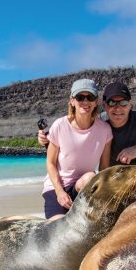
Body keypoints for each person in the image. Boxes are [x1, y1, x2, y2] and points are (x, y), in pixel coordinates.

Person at [39, 81, 136, 166]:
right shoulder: (98, 124)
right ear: (104, 105)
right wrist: (46, 140)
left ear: (130, 105)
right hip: (116, 182)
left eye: (123, 103)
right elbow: (72, 142)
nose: (118, 108)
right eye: (112, 103)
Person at [42, 79, 112, 220]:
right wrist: (60, 192)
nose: (85, 102)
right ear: (72, 101)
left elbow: (104, 168)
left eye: (90, 97)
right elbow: (50, 163)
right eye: (80, 97)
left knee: (91, 177)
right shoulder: (60, 125)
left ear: (96, 102)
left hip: (83, 188)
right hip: (57, 188)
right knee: (58, 229)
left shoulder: (104, 129)